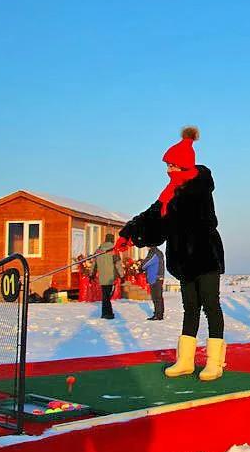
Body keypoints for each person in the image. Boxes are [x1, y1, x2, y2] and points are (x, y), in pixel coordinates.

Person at [117, 126, 227, 381]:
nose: (168, 170)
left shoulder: (198, 190)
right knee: (190, 307)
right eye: (166, 166)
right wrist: (128, 233)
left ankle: (215, 362)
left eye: (172, 166)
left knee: (211, 305)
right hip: (184, 260)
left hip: (205, 257)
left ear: (184, 166)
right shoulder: (171, 193)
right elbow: (152, 215)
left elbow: (168, 222)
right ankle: (186, 361)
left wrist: (144, 232)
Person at [93, 234, 123, 319]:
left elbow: (94, 264)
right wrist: (122, 275)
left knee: (105, 295)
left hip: (102, 277)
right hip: (111, 277)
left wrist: (92, 274)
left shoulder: (98, 251)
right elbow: (118, 264)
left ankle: (105, 312)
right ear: (112, 240)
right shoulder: (114, 251)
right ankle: (108, 314)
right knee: (107, 296)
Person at [141, 246, 166, 320]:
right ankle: (159, 313)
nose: (146, 247)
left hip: (155, 278)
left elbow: (146, 263)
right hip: (156, 278)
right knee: (158, 297)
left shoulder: (154, 253)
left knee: (156, 297)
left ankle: (158, 315)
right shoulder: (157, 252)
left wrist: (141, 266)